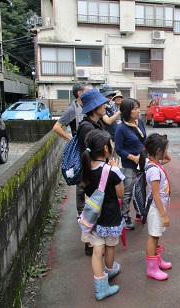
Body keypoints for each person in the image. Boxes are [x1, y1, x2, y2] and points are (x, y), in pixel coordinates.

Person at [80, 129, 125, 301]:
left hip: (93, 217)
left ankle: (101, 289)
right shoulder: (111, 171)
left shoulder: (85, 167)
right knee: (110, 247)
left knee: (97, 251)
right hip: (110, 217)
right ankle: (110, 269)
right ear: (106, 150)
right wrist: (117, 171)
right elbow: (120, 195)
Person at [78, 88, 110, 255]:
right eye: (101, 103)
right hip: (92, 175)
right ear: (93, 106)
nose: (105, 105)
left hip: (97, 173)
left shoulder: (96, 123)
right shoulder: (86, 127)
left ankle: (96, 243)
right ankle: (91, 245)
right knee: (91, 208)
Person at [52, 82, 89, 219]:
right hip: (80, 150)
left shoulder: (88, 106)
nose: (89, 93)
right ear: (80, 93)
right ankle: (81, 214)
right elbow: (56, 127)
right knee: (81, 183)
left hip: (91, 148)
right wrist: (71, 139)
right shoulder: (72, 109)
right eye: (87, 91)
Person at [114, 98, 146, 230]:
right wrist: (133, 158)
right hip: (129, 164)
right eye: (135, 108)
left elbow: (144, 140)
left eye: (138, 107)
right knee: (127, 191)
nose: (138, 111)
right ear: (127, 111)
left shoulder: (140, 123)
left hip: (142, 163)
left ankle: (140, 211)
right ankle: (125, 216)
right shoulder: (121, 128)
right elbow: (119, 149)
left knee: (141, 189)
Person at [144, 133, 172, 280]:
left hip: (158, 207)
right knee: (153, 237)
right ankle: (152, 268)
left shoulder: (154, 163)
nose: (167, 152)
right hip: (156, 209)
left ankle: (157, 260)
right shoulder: (154, 169)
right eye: (166, 149)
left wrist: (163, 149)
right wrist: (163, 215)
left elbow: (169, 159)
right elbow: (155, 194)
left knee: (157, 235)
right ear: (159, 152)